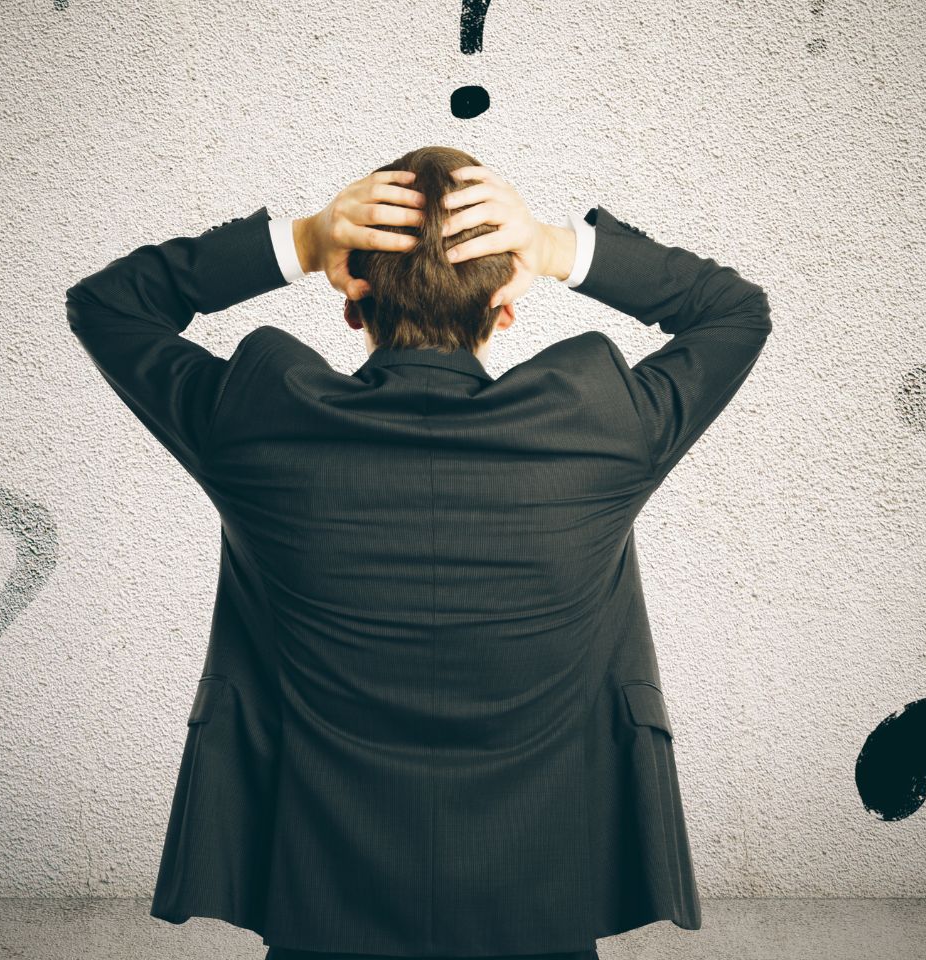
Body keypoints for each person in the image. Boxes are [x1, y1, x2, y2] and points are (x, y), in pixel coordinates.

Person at [65, 146, 770, 959]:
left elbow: (108, 305)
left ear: (352, 305)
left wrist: (301, 240)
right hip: (538, 909)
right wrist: (552, 246)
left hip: (322, 914)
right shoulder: (601, 426)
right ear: (506, 307)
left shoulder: (254, 417)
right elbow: (735, 312)